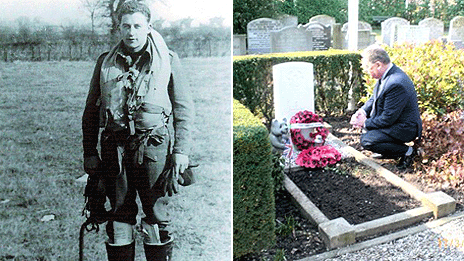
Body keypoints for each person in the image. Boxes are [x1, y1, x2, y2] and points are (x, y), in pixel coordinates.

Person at [81, 1, 193, 260]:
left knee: (156, 218)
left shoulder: (169, 60)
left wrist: (181, 151)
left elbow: (184, 109)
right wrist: (89, 152)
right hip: (114, 149)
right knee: (120, 218)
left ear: (148, 27)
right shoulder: (104, 64)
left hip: (154, 148)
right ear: (118, 29)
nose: (131, 32)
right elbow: (90, 111)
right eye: (126, 26)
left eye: (137, 26)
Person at [350, 44, 422, 169]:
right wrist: (362, 112)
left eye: (369, 68)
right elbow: (374, 98)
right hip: (395, 123)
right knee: (368, 133)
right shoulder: (387, 76)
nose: (367, 72)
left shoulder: (396, 82)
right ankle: (389, 151)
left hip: (405, 128)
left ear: (378, 64)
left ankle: (408, 152)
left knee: (368, 140)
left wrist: (365, 123)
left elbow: (388, 118)